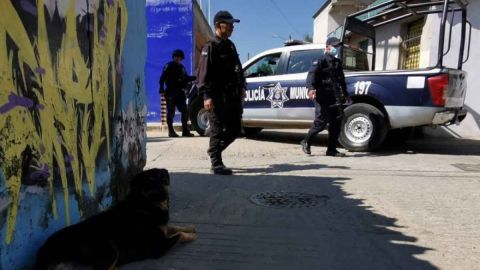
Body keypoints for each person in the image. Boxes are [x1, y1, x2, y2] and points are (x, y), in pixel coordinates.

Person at [196, 10, 246, 175]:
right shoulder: (210, 46)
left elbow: (237, 69)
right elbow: (203, 74)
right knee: (217, 129)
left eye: (233, 25)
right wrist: (206, 96)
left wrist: (242, 87)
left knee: (235, 129)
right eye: (229, 24)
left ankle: (214, 150)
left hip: (232, 96)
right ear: (219, 26)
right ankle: (216, 163)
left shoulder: (230, 45)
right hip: (216, 97)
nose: (232, 27)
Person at [300, 36, 351, 157]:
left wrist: (346, 94)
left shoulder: (337, 63)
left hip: (334, 96)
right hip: (322, 96)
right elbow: (311, 75)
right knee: (321, 121)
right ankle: (306, 141)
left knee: (336, 123)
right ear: (327, 47)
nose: (337, 48)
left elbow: (342, 80)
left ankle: (331, 150)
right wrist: (311, 89)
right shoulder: (320, 59)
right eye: (335, 46)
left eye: (338, 46)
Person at [159, 49, 195, 137]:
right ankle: (171, 131)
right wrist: (161, 89)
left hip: (180, 93)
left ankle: (185, 131)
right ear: (173, 57)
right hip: (171, 92)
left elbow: (186, 78)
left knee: (185, 111)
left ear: (182, 58)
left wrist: (195, 77)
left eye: (180, 57)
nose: (178, 59)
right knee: (171, 112)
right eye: (176, 57)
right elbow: (162, 79)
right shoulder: (168, 66)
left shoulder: (182, 68)